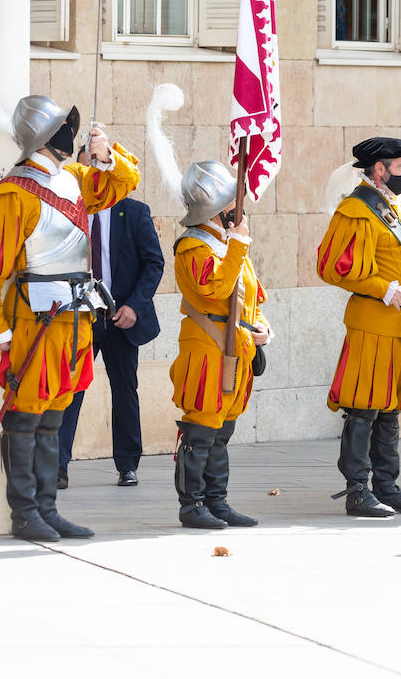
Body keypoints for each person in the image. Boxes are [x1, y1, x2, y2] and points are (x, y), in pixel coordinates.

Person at [0, 96, 139, 541]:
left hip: (77, 313)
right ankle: (25, 514)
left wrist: (107, 153)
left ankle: (47, 507)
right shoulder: (10, 193)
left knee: (56, 410)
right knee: (26, 414)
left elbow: (124, 181)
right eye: (65, 128)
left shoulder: (76, 178)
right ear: (46, 137)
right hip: (35, 319)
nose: (71, 135)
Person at [316, 137, 401, 517]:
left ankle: (387, 487)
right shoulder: (356, 210)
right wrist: (384, 289)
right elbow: (332, 267)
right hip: (373, 325)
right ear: (380, 169)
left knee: (390, 409)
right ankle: (357, 491)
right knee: (364, 408)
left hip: (399, 326)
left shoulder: (394, 207)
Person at [169, 161, 271, 530]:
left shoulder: (228, 244)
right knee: (201, 428)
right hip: (207, 346)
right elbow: (215, 288)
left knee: (223, 431)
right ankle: (192, 504)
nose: (238, 209)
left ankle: (217, 501)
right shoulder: (193, 247)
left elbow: (250, 297)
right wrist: (240, 243)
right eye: (231, 202)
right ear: (216, 209)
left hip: (235, 344)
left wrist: (262, 328)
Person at [58, 173, 165, 490]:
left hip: (119, 317)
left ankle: (128, 464)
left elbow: (154, 263)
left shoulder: (133, 212)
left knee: (125, 391)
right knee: (69, 389)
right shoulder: (67, 212)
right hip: (79, 318)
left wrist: (134, 306)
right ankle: (58, 465)